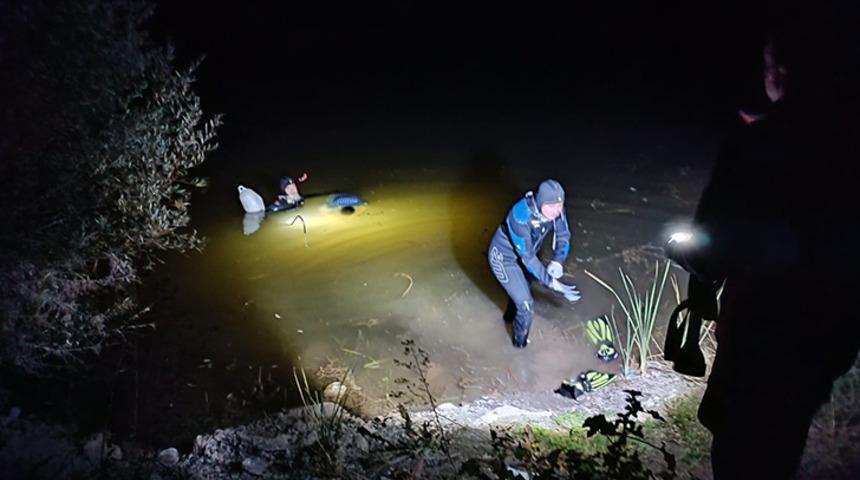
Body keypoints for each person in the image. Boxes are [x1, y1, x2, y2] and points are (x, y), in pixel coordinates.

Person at [668, 18, 859, 479]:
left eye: (768, 67)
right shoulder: (850, 147)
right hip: (827, 341)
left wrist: (684, 251)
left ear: (778, 74)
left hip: (760, 339)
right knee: (782, 441)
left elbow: (711, 251)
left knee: (740, 450)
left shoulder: (757, 143)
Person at [488, 179, 581, 348]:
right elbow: (528, 259)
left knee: (520, 291)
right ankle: (519, 350)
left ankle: (508, 320)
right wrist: (552, 283)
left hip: (528, 255)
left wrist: (558, 261)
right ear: (540, 202)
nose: (556, 211)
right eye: (551, 206)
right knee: (526, 306)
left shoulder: (557, 210)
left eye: (559, 205)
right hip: (504, 258)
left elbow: (563, 235)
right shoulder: (520, 216)